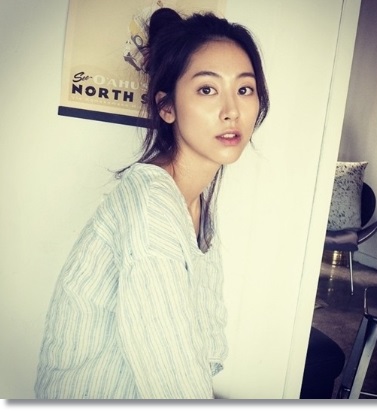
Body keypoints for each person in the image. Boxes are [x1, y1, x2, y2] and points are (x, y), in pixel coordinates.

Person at [34, 7, 269, 399]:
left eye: (244, 89)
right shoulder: (152, 207)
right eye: (207, 89)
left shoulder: (194, 203)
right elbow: (174, 382)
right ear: (167, 107)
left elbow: (201, 348)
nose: (232, 111)